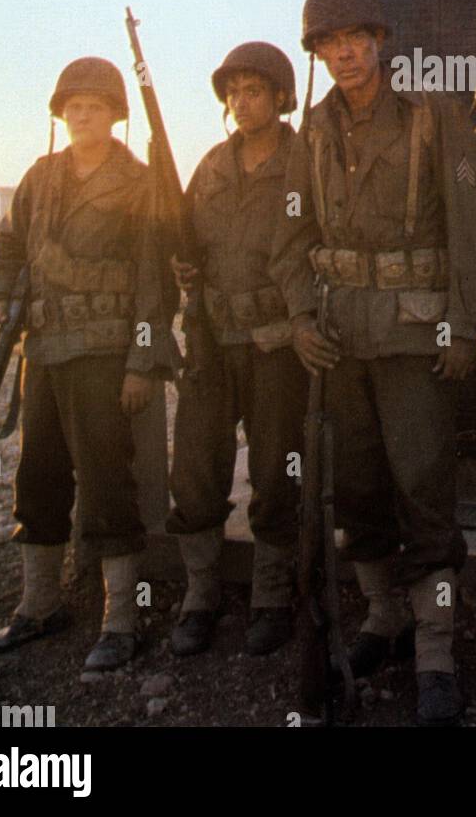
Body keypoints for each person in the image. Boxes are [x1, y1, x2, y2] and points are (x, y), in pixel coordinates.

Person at [268, 0, 476, 726]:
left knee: (424, 486)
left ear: (379, 41)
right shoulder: (311, 129)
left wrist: (464, 326)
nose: (343, 53)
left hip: (414, 337)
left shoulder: (435, 118)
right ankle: (381, 619)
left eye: (354, 39)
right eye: (327, 44)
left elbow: (474, 225)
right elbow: (292, 235)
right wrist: (301, 315)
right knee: (355, 489)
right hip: (337, 342)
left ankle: (434, 647)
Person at [0, 57, 179, 670]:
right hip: (42, 352)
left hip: (103, 355)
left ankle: (121, 617)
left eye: (92, 104)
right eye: (71, 105)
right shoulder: (41, 177)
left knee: (105, 486)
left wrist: (142, 363)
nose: (80, 113)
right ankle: (39, 606)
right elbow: (8, 246)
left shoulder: (140, 182)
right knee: (37, 477)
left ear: (115, 113)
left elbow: (154, 284)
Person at [168, 43, 308, 658]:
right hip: (210, 342)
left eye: (254, 90)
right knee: (195, 470)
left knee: (279, 470)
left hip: (277, 345)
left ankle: (272, 595)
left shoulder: (307, 161)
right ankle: (201, 595)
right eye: (233, 92)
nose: (241, 102)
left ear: (281, 97)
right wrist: (181, 266)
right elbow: (185, 241)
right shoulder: (211, 167)